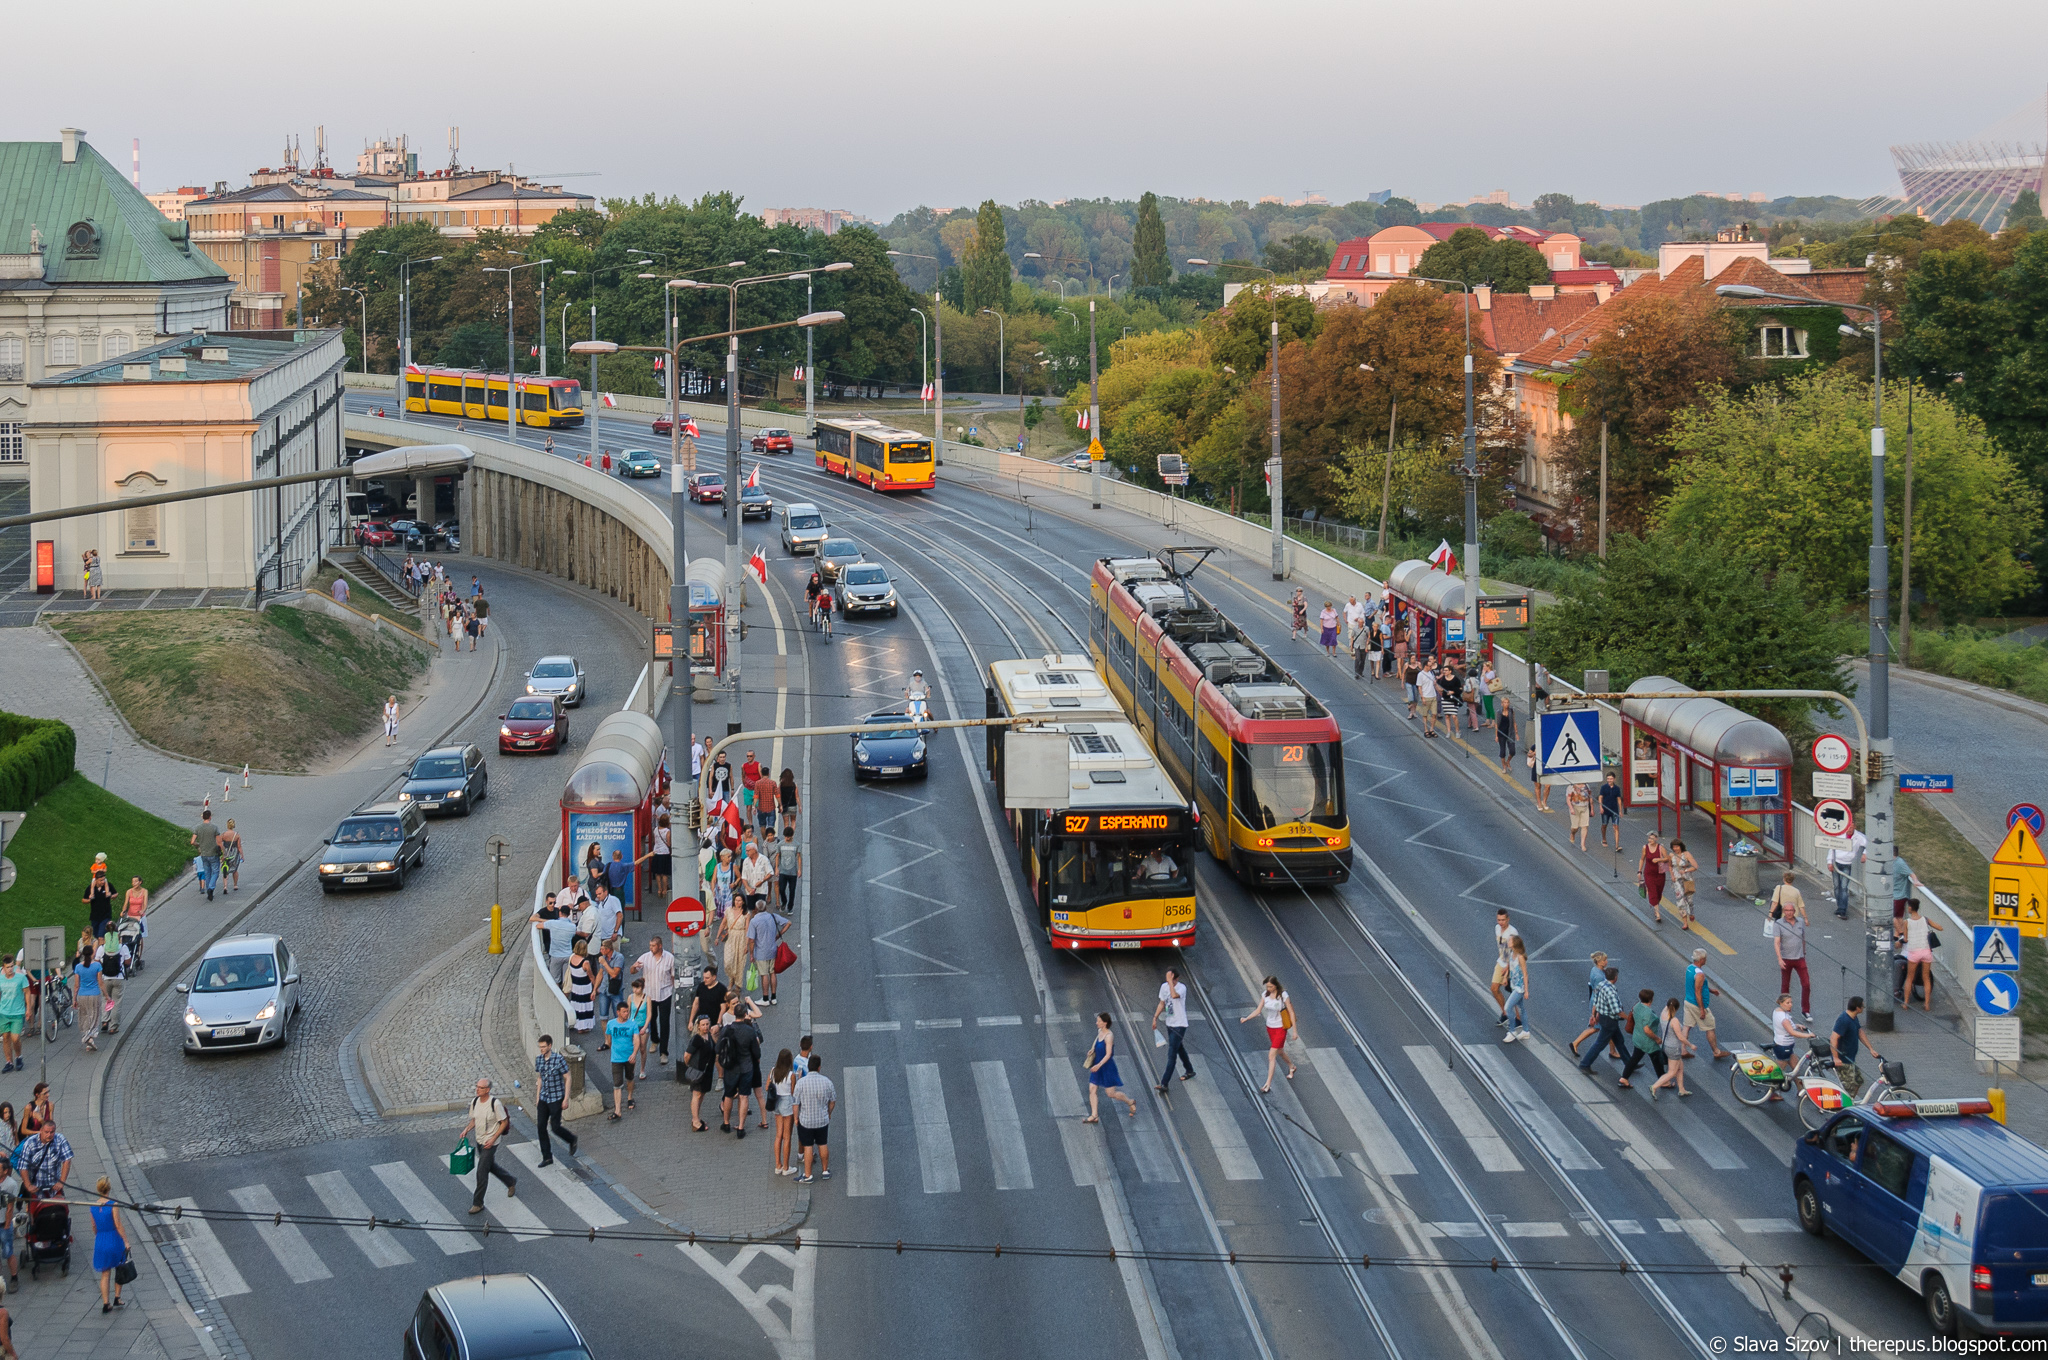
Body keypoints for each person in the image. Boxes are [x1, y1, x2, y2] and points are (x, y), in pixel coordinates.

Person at [458, 1078, 517, 1213]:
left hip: (491, 1143)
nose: (477, 1089)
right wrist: (466, 1130)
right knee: (490, 1166)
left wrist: (493, 1138)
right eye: (477, 1086)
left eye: (481, 1087)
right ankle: (510, 1181)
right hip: (480, 1140)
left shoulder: (495, 1104)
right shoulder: (475, 1102)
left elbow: (504, 1122)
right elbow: (474, 1119)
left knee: (481, 1171)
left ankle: (478, 1203)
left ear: (488, 1090)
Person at [1239, 976, 1297, 1092]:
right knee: (1279, 1051)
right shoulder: (1265, 994)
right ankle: (1292, 1066)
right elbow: (1258, 1010)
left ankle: (1267, 1084)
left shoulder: (1283, 995)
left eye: (1271, 986)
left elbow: (1291, 1012)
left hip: (1280, 1028)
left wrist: (1294, 1031)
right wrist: (1247, 1018)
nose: (1269, 988)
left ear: (1276, 985)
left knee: (1271, 1055)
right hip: (1270, 1027)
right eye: (1267, 987)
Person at [1082, 1012, 1138, 1122]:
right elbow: (1097, 1040)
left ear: (1105, 1023)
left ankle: (1129, 1101)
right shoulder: (1100, 1031)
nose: (1096, 1023)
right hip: (1098, 1064)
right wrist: (1093, 1049)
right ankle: (1094, 1115)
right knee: (1092, 1089)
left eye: (1098, 1021)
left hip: (1107, 1067)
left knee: (1111, 1094)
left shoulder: (1109, 1036)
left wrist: (1098, 1065)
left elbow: (1108, 1054)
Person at [632, 934, 678, 1065]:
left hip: (665, 993)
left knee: (664, 1023)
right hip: (649, 995)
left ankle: (664, 1052)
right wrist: (634, 967)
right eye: (650, 945)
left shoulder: (669, 958)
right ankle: (654, 1040)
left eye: (653, 946)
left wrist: (675, 994)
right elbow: (633, 971)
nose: (651, 948)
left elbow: (673, 976)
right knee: (651, 1020)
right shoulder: (645, 957)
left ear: (660, 946)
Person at [719, 999, 762, 1136]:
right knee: (744, 1096)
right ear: (744, 1014)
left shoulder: (727, 1029)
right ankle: (741, 1127)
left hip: (731, 1068)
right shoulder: (749, 1031)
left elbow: (718, 1048)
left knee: (729, 1095)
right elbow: (757, 1053)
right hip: (746, 1067)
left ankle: (726, 1123)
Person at [533, 1035, 578, 1166]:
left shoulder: (558, 1060)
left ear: (549, 1046)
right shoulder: (539, 1060)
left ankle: (571, 1139)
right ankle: (547, 1157)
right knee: (541, 1127)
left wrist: (566, 1098)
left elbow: (568, 1077)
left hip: (556, 1097)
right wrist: (537, 1097)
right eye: (540, 1047)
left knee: (555, 1127)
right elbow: (540, 1078)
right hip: (543, 1097)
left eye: (543, 1047)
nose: (541, 1049)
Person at [793, 1055, 836, 1183]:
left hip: (806, 1121)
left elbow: (795, 1103)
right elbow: (833, 1100)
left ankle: (808, 1175)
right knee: (822, 1143)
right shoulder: (827, 1082)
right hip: (822, 1120)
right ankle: (825, 1170)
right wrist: (828, 1113)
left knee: (808, 1146)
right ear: (819, 1067)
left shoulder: (801, 1083)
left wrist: (796, 1118)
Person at [1683, 948, 1732, 1060]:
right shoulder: (1700, 974)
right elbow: (1698, 991)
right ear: (1702, 959)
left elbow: (1697, 986)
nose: (1706, 960)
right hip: (1697, 1004)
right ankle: (1716, 1051)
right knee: (1710, 1027)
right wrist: (1702, 1009)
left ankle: (1683, 1050)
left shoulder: (1690, 968)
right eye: (1705, 958)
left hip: (1688, 1001)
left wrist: (1710, 990)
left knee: (1687, 1026)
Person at [1152, 967, 1195, 1091]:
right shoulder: (1164, 987)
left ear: (1176, 978)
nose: (1167, 981)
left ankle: (1164, 1083)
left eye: (1170, 978)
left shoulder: (1182, 988)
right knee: (1179, 1047)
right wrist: (1155, 1017)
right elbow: (1162, 1003)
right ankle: (1190, 1070)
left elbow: (1174, 995)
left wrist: (1171, 983)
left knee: (1172, 1054)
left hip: (1180, 1025)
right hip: (1170, 1023)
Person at [1829, 996, 1883, 1097]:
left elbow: (1860, 1032)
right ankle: (1846, 1108)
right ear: (1857, 1008)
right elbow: (1833, 1038)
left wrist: (1870, 1049)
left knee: (1858, 1081)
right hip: (1843, 1060)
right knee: (1850, 1088)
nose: (1863, 1008)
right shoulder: (1843, 1020)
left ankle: (1850, 1103)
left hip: (1850, 1058)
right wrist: (1835, 1058)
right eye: (1862, 1006)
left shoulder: (1854, 1017)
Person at [1577, 966, 1626, 1075]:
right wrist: (1629, 1018)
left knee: (1619, 1040)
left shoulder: (1601, 985)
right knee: (1600, 1044)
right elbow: (1617, 1011)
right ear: (1615, 978)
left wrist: (1594, 1014)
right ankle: (1585, 1064)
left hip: (1604, 1017)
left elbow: (1596, 1000)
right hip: (1610, 1021)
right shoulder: (1611, 992)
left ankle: (1629, 1062)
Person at [1773, 883, 1812, 1020]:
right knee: (1785, 986)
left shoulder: (1800, 922)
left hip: (1800, 957)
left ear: (1794, 911)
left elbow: (1803, 938)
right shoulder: (1778, 923)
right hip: (1786, 958)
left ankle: (1806, 1010)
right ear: (1784, 911)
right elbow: (1777, 943)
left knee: (1806, 984)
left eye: (1791, 910)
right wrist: (1779, 959)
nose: (1789, 912)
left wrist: (1804, 952)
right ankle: (1785, 1009)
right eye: (1787, 910)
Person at [1896, 900, 1943, 1011]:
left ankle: (1906, 1003)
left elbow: (1906, 939)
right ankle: (1927, 1004)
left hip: (1914, 952)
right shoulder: (1925, 919)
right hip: (1926, 951)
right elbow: (1940, 928)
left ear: (1911, 908)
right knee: (1926, 978)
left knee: (1909, 978)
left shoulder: (1906, 922)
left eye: (1908, 907)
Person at [91, 1176, 128, 1313]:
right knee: (119, 1268)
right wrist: (126, 1240)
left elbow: (94, 1227)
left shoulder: (93, 1206)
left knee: (105, 1274)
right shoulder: (113, 1204)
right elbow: (118, 1225)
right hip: (114, 1238)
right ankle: (117, 1297)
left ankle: (106, 1303)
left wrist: (100, 1235)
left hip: (101, 1239)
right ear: (109, 1188)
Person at [1570, 952, 1617, 1058]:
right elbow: (1598, 993)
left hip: (1596, 1002)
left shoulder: (1595, 970)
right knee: (1597, 1027)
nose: (1607, 962)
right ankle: (1575, 1043)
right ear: (1599, 962)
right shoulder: (1600, 976)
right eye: (1604, 960)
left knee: (1608, 1027)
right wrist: (1595, 1012)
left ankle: (1613, 1050)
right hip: (1599, 1004)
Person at [604, 1001, 642, 1120]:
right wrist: (613, 1050)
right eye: (624, 1012)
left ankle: (630, 1097)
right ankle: (617, 1110)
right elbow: (608, 1040)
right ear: (618, 1012)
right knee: (617, 1084)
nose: (626, 1014)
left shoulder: (632, 1024)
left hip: (629, 1057)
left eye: (628, 1012)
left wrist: (634, 1053)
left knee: (630, 1078)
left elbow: (636, 1040)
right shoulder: (611, 1024)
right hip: (616, 1058)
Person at [1619, 988, 1663, 1089]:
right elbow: (1647, 1030)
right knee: (1657, 1059)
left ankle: (1624, 1078)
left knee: (1634, 1058)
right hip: (1648, 1041)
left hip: (1638, 1037)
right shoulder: (1648, 1013)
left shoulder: (1637, 1006)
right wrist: (1656, 1039)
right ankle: (1663, 1080)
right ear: (1651, 999)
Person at [1649, 997, 1693, 1099]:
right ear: (1677, 1009)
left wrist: (1670, 1003)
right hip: (1674, 1048)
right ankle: (1654, 1086)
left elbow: (1667, 1006)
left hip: (1666, 1046)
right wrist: (1690, 1045)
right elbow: (1681, 1037)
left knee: (1680, 1068)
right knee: (1672, 1072)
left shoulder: (1663, 1014)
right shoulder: (1674, 1020)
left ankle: (1681, 1089)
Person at [748, 902, 790, 1005]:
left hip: (761, 952)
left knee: (764, 974)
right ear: (765, 907)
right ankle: (774, 997)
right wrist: (778, 935)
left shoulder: (754, 921)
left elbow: (751, 940)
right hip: (773, 950)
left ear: (756, 909)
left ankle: (765, 998)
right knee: (772, 973)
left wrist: (751, 954)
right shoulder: (773, 916)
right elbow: (788, 923)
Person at [682, 1015, 718, 1132]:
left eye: (707, 1024)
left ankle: (697, 1116)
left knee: (701, 1094)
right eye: (703, 1025)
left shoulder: (709, 1036)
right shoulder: (697, 1039)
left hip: (707, 1072)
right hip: (698, 1072)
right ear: (698, 1026)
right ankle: (695, 1120)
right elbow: (687, 1055)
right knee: (696, 1095)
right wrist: (690, 1066)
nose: (706, 1027)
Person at [17, 1123, 71, 1198]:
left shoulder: (60, 1139)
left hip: (54, 1187)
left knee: (60, 1208)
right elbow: (23, 1166)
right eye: (46, 1132)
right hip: (36, 1189)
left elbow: (67, 1160)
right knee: (36, 1209)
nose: (49, 1135)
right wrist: (28, 1185)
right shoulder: (30, 1143)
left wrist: (61, 1181)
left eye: (52, 1132)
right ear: (41, 1130)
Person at [769, 1049, 800, 1175]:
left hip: (776, 1102)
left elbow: (767, 1086)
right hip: (787, 1103)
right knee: (787, 1137)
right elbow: (794, 1092)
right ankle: (786, 1167)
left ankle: (778, 1165)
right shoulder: (791, 1075)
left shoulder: (772, 1071)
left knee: (778, 1135)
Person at [1827, 828, 1867, 919]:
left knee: (1844, 887)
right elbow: (1832, 847)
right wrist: (1829, 861)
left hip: (1847, 864)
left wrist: (1865, 853)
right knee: (1837, 886)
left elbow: (1869, 843)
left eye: (1852, 827)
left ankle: (1842, 910)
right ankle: (1839, 906)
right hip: (1836, 862)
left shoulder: (1859, 837)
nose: (1849, 830)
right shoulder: (1839, 834)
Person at [73, 938, 103, 1052]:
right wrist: (106, 995)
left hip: (82, 995)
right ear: (92, 954)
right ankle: (89, 1038)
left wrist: (74, 999)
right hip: (94, 994)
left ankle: (87, 1038)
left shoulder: (78, 967)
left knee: (84, 1016)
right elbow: (100, 982)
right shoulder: (97, 966)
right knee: (94, 1016)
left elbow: (76, 985)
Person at [1490, 909, 1522, 1015]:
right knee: (1494, 988)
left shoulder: (1512, 932)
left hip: (1512, 965)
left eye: (1503, 920)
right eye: (1499, 920)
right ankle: (1505, 1013)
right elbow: (1501, 948)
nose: (1501, 922)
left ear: (1508, 919)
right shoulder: (1497, 929)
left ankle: (1518, 1019)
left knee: (1513, 992)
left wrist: (1507, 969)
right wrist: (1501, 961)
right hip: (1501, 962)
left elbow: (1516, 952)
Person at [1500, 938, 1531, 1043]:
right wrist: (1505, 977)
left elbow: (1525, 974)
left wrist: (1526, 990)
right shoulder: (1511, 954)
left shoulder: (1520, 957)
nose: (1508, 942)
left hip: (1519, 988)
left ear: (1515, 943)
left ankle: (1512, 1032)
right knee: (1521, 1008)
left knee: (1507, 1008)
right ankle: (1526, 1031)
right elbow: (1510, 967)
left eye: (1510, 941)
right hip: (1514, 985)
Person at [562, 941, 596, 1035]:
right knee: (585, 1006)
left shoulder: (572, 957)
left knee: (577, 1005)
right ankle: (583, 1026)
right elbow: (591, 976)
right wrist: (596, 987)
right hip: (584, 987)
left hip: (575, 986)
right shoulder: (585, 962)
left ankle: (575, 1023)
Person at [687, 962, 729, 1036]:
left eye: (707, 978)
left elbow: (723, 1008)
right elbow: (696, 1003)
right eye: (704, 977)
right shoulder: (701, 986)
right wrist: (691, 1021)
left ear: (714, 977)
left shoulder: (721, 989)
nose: (705, 980)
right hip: (701, 1023)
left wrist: (718, 1024)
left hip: (713, 1024)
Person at [1638, 830, 1669, 925]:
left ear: (1656, 838)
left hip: (1660, 874)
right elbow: (1642, 859)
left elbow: (1667, 858)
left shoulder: (1661, 848)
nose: (1650, 840)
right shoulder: (1645, 847)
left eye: (1652, 838)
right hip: (1649, 873)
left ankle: (1655, 905)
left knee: (1659, 892)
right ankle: (1657, 914)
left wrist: (1659, 859)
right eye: (1649, 838)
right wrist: (1639, 871)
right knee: (1652, 892)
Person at [0, 957, 25, 1073]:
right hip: (4, 1012)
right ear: (3, 968)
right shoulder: (1, 979)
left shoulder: (20, 978)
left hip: (17, 1012)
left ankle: (18, 1057)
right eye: (7, 967)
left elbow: (27, 992)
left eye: (11, 966)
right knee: (5, 1037)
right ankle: (9, 1062)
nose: (10, 969)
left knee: (15, 1038)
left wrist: (29, 1008)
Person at [191, 809, 221, 901]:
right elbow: (219, 842)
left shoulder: (198, 828)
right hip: (213, 853)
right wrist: (224, 852)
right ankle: (211, 888)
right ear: (210, 817)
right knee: (215, 872)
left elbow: (192, 841)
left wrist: (199, 845)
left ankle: (208, 889)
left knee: (207, 872)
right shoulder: (214, 828)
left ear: (202, 817)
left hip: (203, 854)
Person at [82, 856, 115, 938]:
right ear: (96, 880)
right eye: (101, 880)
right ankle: (99, 950)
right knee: (95, 936)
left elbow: (115, 894)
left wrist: (111, 895)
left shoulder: (108, 885)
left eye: (104, 880)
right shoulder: (90, 887)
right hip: (95, 916)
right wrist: (89, 900)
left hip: (106, 915)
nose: (103, 882)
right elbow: (83, 900)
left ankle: (101, 948)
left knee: (101, 936)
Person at [120, 875, 148, 966]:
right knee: (128, 933)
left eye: (136, 881)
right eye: (133, 882)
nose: (134, 883)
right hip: (131, 916)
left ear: (140, 882)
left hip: (140, 917)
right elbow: (126, 903)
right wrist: (123, 911)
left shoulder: (144, 891)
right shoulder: (129, 892)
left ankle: (139, 956)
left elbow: (145, 904)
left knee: (140, 936)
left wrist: (142, 910)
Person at [775, 826, 802, 912]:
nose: (787, 838)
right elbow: (777, 856)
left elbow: (798, 857)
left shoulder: (796, 845)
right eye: (786, 836)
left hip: (793, 871)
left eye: (788, 836)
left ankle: (790, 907)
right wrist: (776, 868)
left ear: (792, 836)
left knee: (792, 890)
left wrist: (799, 869)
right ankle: (784, 901)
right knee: (781, 889)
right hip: (783, 871)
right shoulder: (780, 844)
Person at [1597, 770, 1623, 846]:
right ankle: (1604, 839)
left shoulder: (1617, 788)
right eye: (1608, 778)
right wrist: (1601, 807)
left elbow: (1618, 799)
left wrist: (1620, 811)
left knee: (1616, 827)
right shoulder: (1603, 787)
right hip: (1605, 810)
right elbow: (1600, 797)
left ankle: (1617, 845)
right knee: (1604, 825)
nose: (1609, 780)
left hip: (1614, 810)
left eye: (1611, 779)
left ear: (1614, 779)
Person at [219, 819, 244, 893]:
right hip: (234, 853)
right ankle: (235, 885)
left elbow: (220, 844)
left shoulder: (223, 834)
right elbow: (239, 846)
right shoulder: (237, 835)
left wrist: (222, 854)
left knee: (225, 869)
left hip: (226, 852)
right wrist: (242, 855)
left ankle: (225, 886)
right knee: (235, 869)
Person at [1566, 780, 1591, 851]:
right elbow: (1568, 799)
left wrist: (1591, 809)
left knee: (1585, 826)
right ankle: (1572, 834)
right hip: (1575, 807)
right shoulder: (1571, 787)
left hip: (1585, 807)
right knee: (1575, 827)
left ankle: (1582, 844)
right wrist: (1571, 809)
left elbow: (1590, 797)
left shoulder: (1587, 786)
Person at [1416, 661, 1439, 738]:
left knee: (1434, 713)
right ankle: (1426, 730)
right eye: (1429, 666)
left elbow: (1434, 683)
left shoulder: (1431, 673)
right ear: (1425, 666)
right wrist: (1422, 697)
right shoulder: (1420, 675)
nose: (1431, 667)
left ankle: (1431, 729)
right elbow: (1419, 687)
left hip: (1433, 695)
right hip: (1426, 696)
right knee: (1425, 714)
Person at [1496, 701, 1519, 778]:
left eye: (1508, 702)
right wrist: (1496, 736)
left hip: (1510, 733)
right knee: (1502, 751)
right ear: (1502, 704)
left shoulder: (1511, 711)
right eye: (1505, 703)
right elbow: (1497, 724)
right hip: (1501, 734)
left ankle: (1508, 761)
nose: (1507, 704)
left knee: (1513, 751)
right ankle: (1504, 767)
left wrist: (1516, 733)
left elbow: (1514, 722)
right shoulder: (1499, 712)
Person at [753, 769, 780, 835]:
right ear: (768, 774)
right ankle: (770, 840)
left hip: (761, 808)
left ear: (761, 774)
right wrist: (780, 804)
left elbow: (756, 796)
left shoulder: (758, 783)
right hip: (771, 807)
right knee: (771, 827)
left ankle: (765, 841)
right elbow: (777, 795)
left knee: (762, 826)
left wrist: (754, 807)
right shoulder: (773, 783)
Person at [779, 768, 801, 834]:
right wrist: (800, 806)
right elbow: (797, 796)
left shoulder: (781, 785)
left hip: (785, 806)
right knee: (793, 821)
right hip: (793, 806)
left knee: (786, 823)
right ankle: (791, 835)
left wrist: (780, 805)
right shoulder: (794, 785)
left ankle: (786, 836)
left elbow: (779, 796)